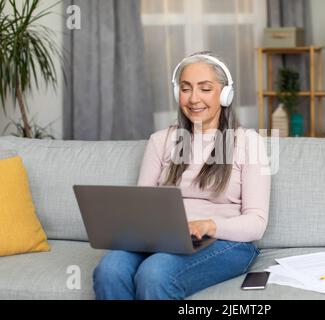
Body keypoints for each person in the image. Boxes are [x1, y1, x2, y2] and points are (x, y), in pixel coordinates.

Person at [93, 51, 271, 300]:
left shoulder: (248, 142)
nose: (194, 98)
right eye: (186, 89)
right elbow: (141, 207)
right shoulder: (160, 140)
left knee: (155, 273)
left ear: (225, 93)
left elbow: (256, 223)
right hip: (163, 237)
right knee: (109, 270)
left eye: (205, 88)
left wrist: (210, 225)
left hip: (224, 240)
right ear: (178, 94)